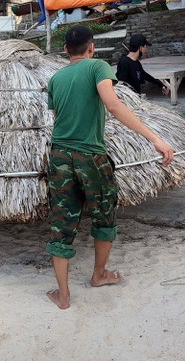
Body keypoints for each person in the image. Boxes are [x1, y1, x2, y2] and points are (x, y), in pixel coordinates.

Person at [45, 25, 175, 310]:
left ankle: (63, 295)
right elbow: (113, 105)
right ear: (92, 47)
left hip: (59, 156)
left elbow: (61, 116)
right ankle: (99, 274)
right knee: (103, 215)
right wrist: (155, 138)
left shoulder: (55, 79)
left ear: (66, 50)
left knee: (62, 222)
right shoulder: (98, 67)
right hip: (90, 156)